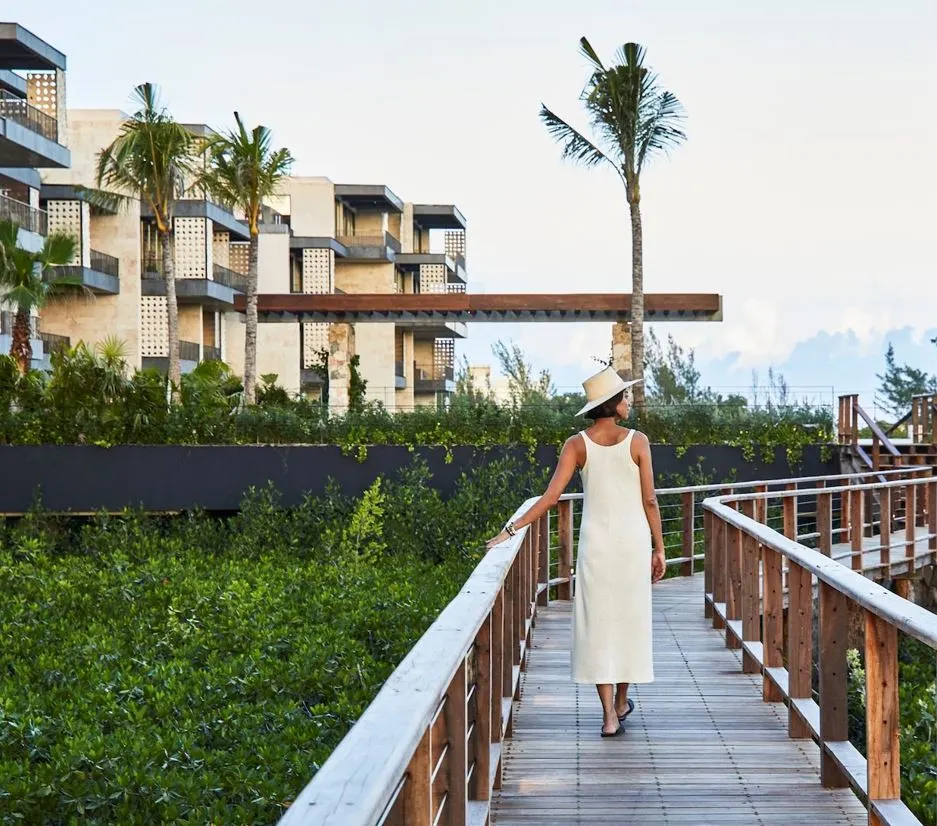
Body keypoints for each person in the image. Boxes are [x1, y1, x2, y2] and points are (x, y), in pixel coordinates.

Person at [486, 366, 666, 737]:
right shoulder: (639, 442)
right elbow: (649, 499)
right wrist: (659, 547)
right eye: (625, 397)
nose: (628, 401)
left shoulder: (576, 444)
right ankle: (621, 699)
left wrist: (510, 529)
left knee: (599, 623)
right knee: (629, 621)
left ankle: (609, 716)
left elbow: (550, 498)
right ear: (614, 405)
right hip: (632, 544)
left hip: (596, 546)